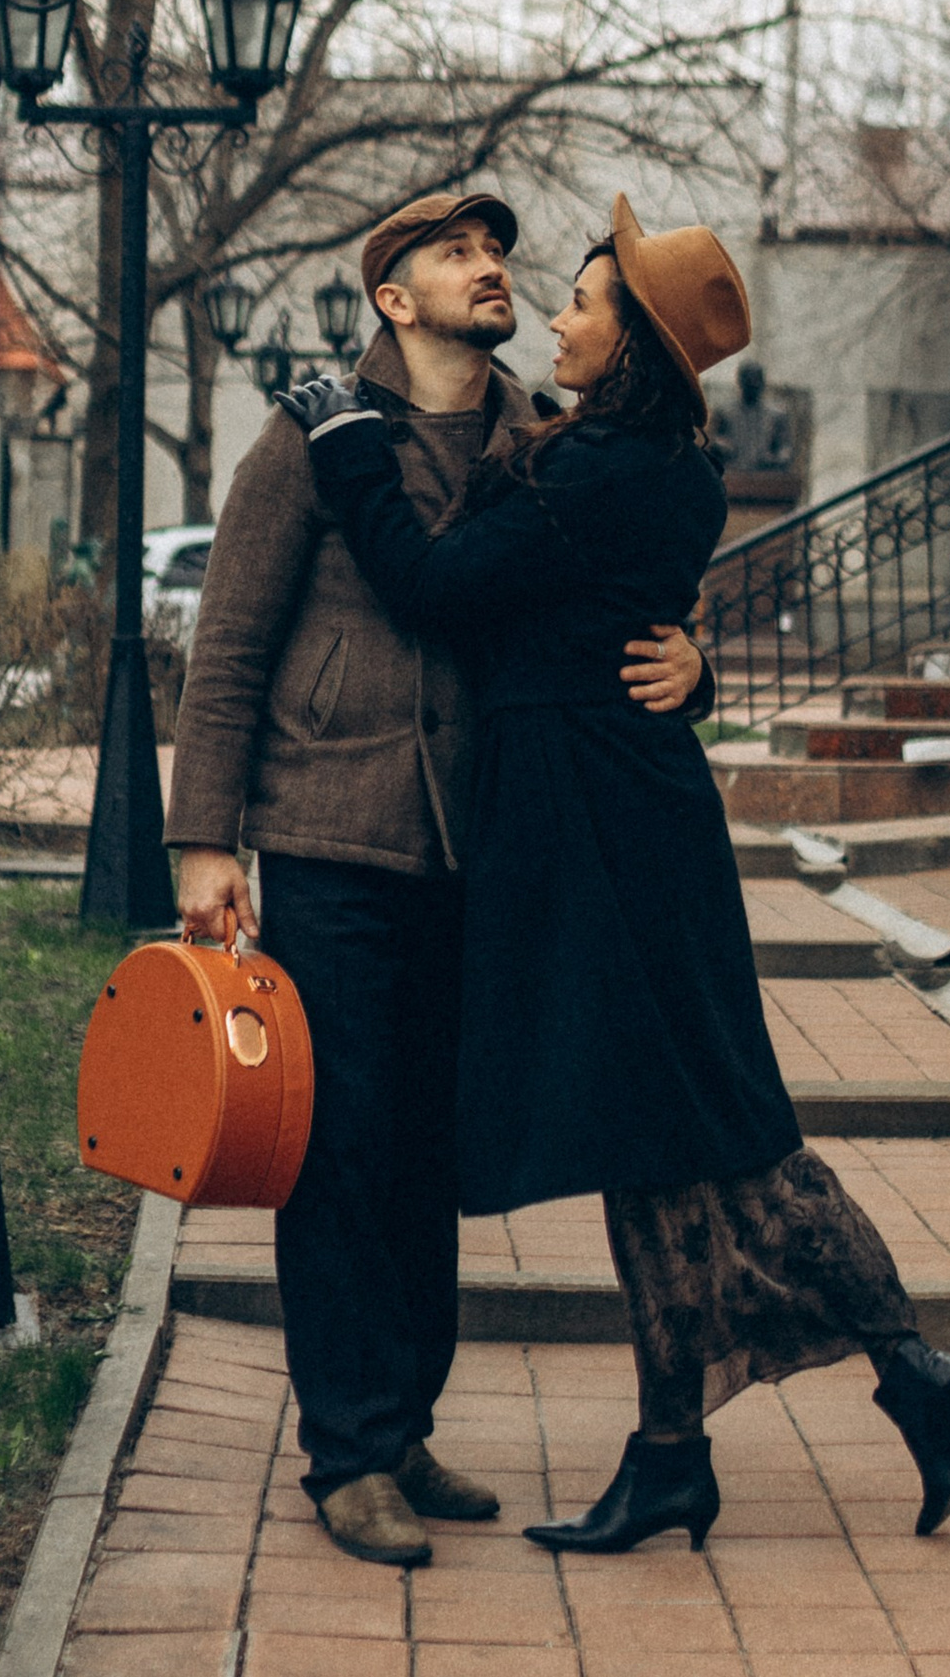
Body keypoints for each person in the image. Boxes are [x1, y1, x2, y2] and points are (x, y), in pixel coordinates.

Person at [283, 195, 950, 1555]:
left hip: (612, 842)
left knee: (721, 1137)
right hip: (605, 819)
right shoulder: (639, 460)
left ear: (633, 346)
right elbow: (602, 617)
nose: (557, 311)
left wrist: (349, 443)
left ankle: (909, 1365)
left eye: (586, 302)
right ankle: (672, 1450)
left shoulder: (600, 470)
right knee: (653, 1145)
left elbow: (435, 587)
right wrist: (698, 665)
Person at [167, 186, 711, 1566]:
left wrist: (696, 665)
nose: (491, 265)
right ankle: (346, 1452)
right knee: (341, 1148)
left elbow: (624, 599)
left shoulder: (545, 440)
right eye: (456, 251)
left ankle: (402, 1420)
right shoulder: (312, 436)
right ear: (394, 299)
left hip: (489, 845)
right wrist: (203, 840)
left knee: (428, 1149)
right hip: (333, 830)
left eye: (495, 249)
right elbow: (228, 643)